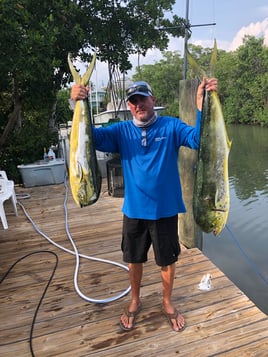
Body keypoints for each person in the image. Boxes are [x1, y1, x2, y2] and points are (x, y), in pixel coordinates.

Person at [71, 77, 218, 332]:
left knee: (167, 261)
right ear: (129, 106)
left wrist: (201, 107)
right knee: (133, 259)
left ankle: (167, 302)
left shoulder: (171, 126)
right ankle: (135, 300)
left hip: (165, 210)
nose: (138, 104)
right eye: (133, 101)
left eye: (142, 98)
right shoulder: (120, 131)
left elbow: (197, 140)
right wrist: (77, 103)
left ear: (153, 100)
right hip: (134, 210)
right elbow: (89, 137)